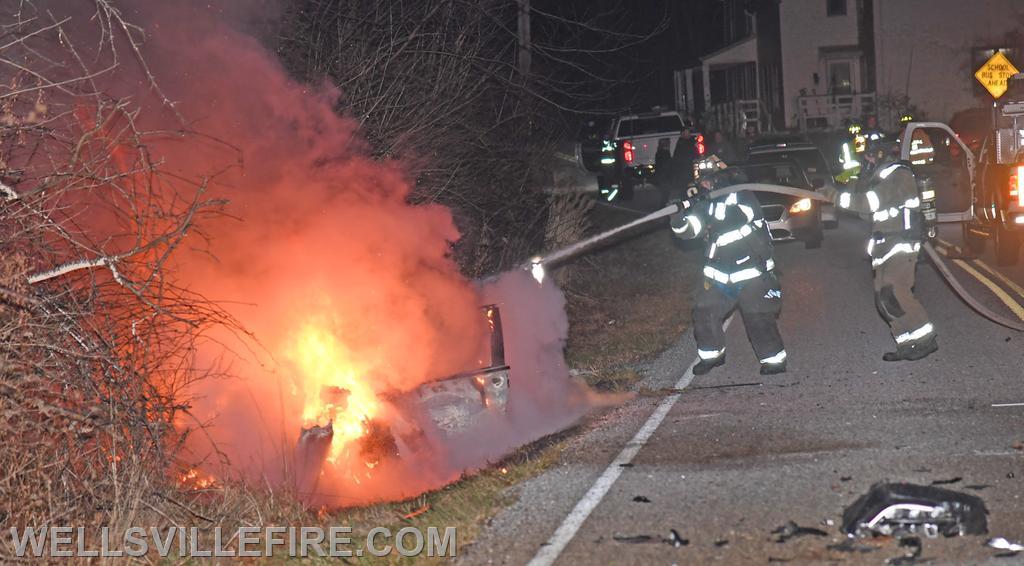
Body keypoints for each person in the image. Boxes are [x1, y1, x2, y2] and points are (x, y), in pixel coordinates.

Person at [670, 155, 788, 376]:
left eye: (709, 180)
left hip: (752, 274)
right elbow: (692, 230)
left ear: (721, 178)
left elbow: (734, 218)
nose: (705, 184)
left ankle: (774, 360)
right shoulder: (707, 203)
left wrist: (707, 202)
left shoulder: (742, 195)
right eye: (702, 181)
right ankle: (712, 355)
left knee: (757, 316)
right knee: (704, 310)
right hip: (720, 275)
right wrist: (679, 220)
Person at [824, 140, 938, 361]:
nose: (868, 164)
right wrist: (855, 182)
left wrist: (834, 196)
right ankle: (906, 343)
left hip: (901, 246)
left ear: (881, 157)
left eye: (869, 159)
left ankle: (926, 339)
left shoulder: (899, 176)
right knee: (884, 298)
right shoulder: (882, 180)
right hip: (885, 247)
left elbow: (869, 203)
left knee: (898, 292)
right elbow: (864, 214)